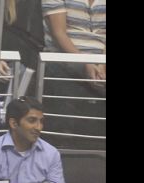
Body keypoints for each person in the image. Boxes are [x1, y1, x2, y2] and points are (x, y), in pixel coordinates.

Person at [40, 0, 105, 150]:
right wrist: (86, 63)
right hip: (64, 60)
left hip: (101, 60)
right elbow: (59, 33)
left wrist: (102, 64)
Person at [0, 96, 69, 183]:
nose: (39, 127)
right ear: (14, 123)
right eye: (32, 120)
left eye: (41, 121)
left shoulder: (51, 154)